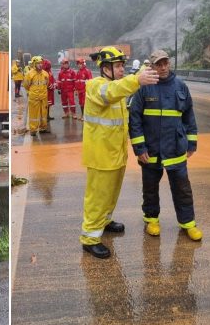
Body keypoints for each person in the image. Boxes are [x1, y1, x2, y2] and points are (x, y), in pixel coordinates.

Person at [80, 46, 158, 258]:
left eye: (123, 65)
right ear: (105, 68)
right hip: (101, 156)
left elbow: (122, 88)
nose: (122, 69)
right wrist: (137, 80)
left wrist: (145, 68)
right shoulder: (96, 86)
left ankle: (104, 221)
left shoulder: (116, 85)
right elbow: (113, 92)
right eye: (118, 66)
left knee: (111, 194)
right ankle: (90, 238)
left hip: (115, 154)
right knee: (97, 197)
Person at [129, 49, 202, 241]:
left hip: (176, 149)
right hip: (151, 150)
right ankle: (151, 220)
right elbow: (134, 118)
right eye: (158, 64)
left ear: (169, 64)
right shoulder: (144, 87)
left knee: (182, 189)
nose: (162, 67)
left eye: (165, 63)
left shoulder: (181, 86)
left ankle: (188, 223)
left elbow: (189, 116)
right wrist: (139, 148)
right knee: (150, 188)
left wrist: (192, 142)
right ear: (152, 66)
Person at [22, 56, 50, 134]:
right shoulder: (29, 74)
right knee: (33, 114)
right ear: (34, 64)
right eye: (38, 63)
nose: (40, 65)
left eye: (41, 63)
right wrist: (33, 92)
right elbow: (26, 85)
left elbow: (46, 84)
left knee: (43, 113)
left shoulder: (45, 74)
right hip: (34, 98)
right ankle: (33, 130)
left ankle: (43, 128)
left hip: (43, 97)